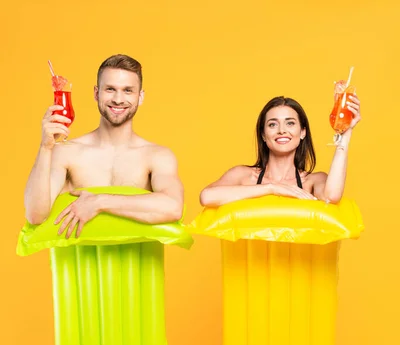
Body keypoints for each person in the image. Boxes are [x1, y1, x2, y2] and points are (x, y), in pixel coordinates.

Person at [24, 54, 183, 237]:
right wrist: (45, 147)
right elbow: (35, 215)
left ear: (140, 97)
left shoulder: (157, 156)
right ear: (96, 93)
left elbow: (173, 207)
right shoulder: (67, 153)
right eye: (110, 89)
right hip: (76, 265)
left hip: (139, 264)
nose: (118, 99)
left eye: (128, 90)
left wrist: (99, 202)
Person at [199, 93, 361, 207]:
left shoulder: (312, 181)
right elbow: (207, 197)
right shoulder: (243, 176)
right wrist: (272, 188)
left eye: (290, 123)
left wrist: (346, 134)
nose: (282, 130)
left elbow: (331, 197)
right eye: (272, 124)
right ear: (263, 134)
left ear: (303, 132)